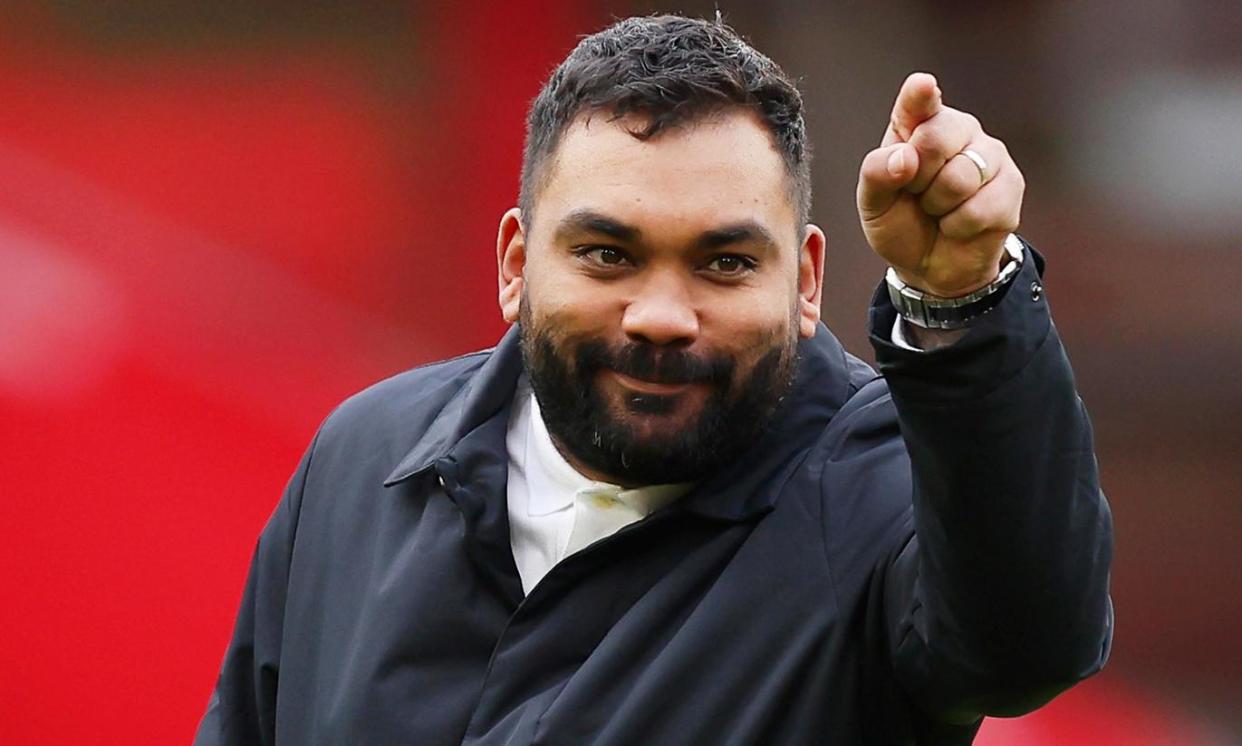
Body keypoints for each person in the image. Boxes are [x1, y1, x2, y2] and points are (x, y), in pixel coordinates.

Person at [195, 14, 1112, 746]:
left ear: (807, 282)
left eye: (723, 263)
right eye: (607, 255)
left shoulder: (878, 492)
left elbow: (1026, 648)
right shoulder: (365, 459)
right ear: (517, 263)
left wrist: (962, 298)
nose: (661, 315)